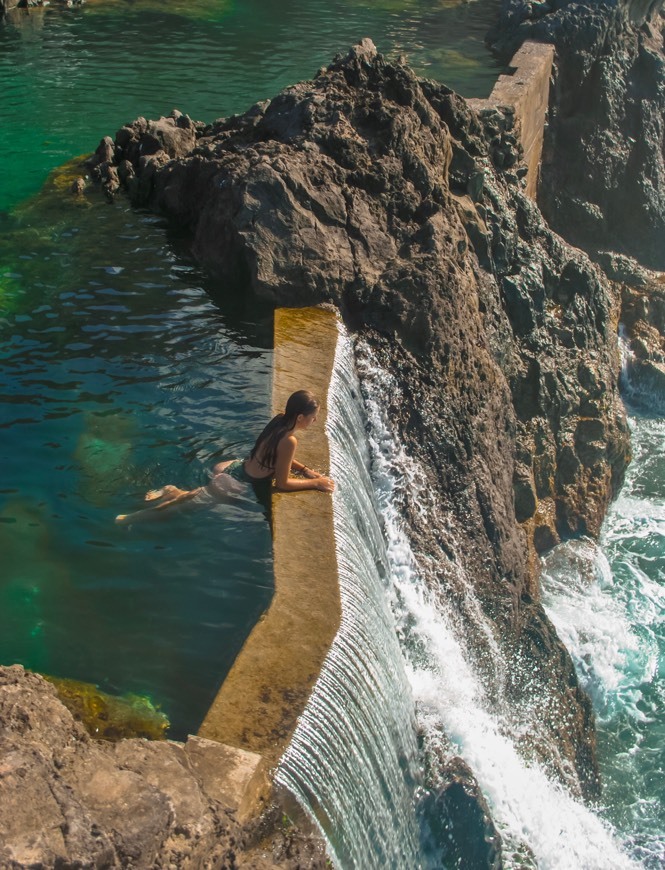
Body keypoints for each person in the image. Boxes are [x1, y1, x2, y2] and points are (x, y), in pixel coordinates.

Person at [115, 390, 335, 524]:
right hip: (237, 481)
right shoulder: (290, 440)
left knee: (191, 498)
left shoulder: (279, 421)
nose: (314, 421)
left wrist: (304, 470)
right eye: (313, 417)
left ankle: (170, 490)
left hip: (235, 468)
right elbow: (283, 484)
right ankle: (133, 518)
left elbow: (277, 456)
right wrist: (316, 483)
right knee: (179, 508)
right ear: (300, 417)